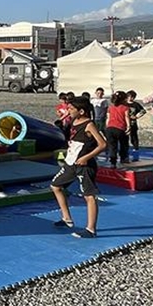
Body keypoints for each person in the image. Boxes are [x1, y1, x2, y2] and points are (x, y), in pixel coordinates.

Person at [50, 96, 107, 239]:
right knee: (55, 186)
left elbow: (103, 144)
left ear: (81, 111)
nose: (68, 111)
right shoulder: (73, 121)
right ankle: (66, 218)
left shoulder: (89, 125)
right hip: (71, 163)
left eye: (71, 109)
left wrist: (86, 157)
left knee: (89, 196)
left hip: (84, 166)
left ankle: (91, 229)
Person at [104, 91, 131, 167]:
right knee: (124, 144)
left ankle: (113, 162)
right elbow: (126, 117)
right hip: (120, 128)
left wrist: (107, 127)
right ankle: (123, 158)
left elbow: (108, 118)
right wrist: (128, 127)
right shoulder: (125, 108)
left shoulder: (110, 107)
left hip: (110, 128)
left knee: (112, 146)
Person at [126, 90, 146, 158]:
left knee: (134, 136)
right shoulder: (124, 104)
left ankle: (135, 148)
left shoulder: (136, 104)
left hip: (132, 123)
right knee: (124, 137)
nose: (130, 98)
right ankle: (125, 148)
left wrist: (137, 116)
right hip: (124, 123)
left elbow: (143, 111)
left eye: (132, 97)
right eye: (129, 96)